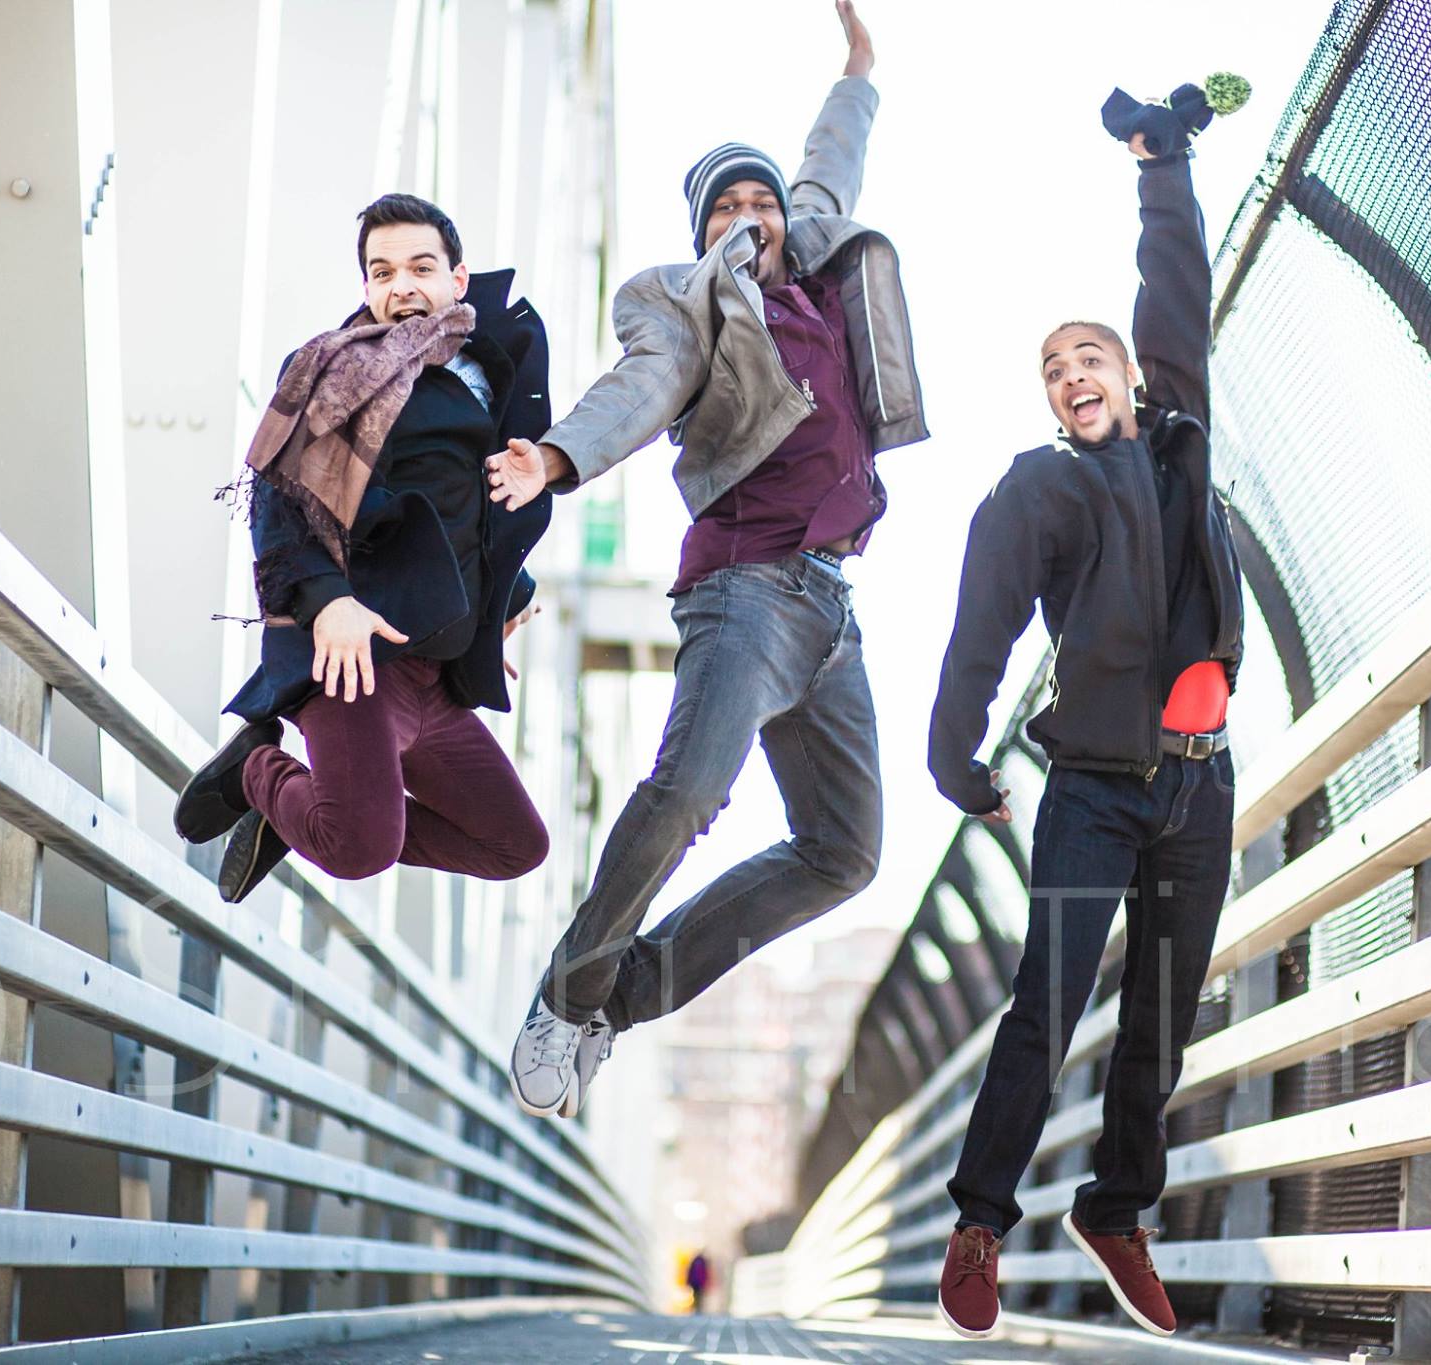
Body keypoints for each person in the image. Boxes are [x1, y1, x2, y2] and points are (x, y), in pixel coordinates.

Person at [484, 0, 925, 1121]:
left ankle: (618, 995)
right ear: (704, 233)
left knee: (844, 851)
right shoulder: (682, 303)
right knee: (689, 788)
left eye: (758, 201)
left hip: (830, 612)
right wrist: (558, 456)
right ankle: (566, 992)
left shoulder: (814, 264)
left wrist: (859, 67)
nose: (748, 216)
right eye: (724, 207)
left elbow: (830, 164)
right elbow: (637, 387)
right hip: (743, 592)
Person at [926, 79, 1249, 1341]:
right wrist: (954, 755)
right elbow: (979, 626)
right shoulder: (1041, 492)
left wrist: (1157, 159)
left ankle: (1116, 1209)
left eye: (1089, 357)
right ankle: (980, 1223)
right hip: (1096, 788)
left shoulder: (1180, 438)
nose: (1074, 373)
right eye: (1053, 369)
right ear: (1048, 402)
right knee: (1048, 1002)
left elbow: (1172, 295)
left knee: (1162, 1017)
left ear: (1126, 375)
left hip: (1201, 777)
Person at [173, 193, 553, 908]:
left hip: (435, 678)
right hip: (354, 660)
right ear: (368, 289)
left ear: (458, 280)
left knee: (516, 844)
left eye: (420, 266)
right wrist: (328, 603)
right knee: (359, 847)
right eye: (381, 273)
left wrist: (504, 600)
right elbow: (277, 504)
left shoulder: (482, 377)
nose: (401, 286)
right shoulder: (336, 367)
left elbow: (460, 514)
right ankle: (255, 768)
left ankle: (317, 809)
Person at [685, 1250, 712, 1314]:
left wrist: (688, 1281)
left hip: (695, 1282)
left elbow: (690, 1272)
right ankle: (697, 1308)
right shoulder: (703, 1262)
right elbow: (704, 1273)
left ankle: (697, 1308)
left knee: (697, 1295)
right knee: (698, 1296)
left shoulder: (695, 1261)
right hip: (698, 1282)